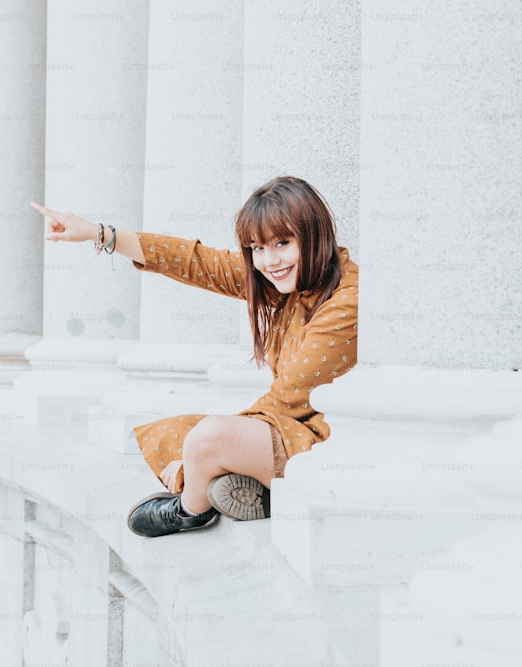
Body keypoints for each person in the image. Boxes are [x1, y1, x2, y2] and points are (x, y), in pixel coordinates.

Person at [31, 176, 358, 538]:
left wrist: (192, 463)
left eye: (282, 243)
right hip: (292, 428)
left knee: (206, 438)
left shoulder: (346, 302)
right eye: (257, 248)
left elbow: (288, 397)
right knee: (183, 432)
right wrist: (99, 233)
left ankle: (191, 508)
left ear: (314, 236)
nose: (269, 260)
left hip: (330, 447)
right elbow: (198, 262)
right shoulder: (297, 278)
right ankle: (246, 486)